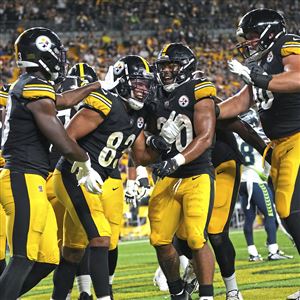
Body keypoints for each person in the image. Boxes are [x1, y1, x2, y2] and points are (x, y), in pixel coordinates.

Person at [51, 55, 177, 300]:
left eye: (146, 84)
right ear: (121, 81)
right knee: (100, 237)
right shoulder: (106, 102)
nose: (143, 89)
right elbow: (67, 136)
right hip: (73, 175)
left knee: (73, 252)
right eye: (138, 83)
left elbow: (141, 156)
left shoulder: (138, 115)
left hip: (95, 180)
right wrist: (84, 164)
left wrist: (162, 143)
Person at [0, 27, 103, 300]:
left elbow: (62, 101)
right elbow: (60, 137)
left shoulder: (33, 85)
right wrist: (84, 161)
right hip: (22, 175)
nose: (60, 58)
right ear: (44, 54)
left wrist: (95, 85)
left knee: (47, 258)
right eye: (56, 53)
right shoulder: (33, 84)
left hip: (32, 178)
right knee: (23, 257)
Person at [217, 8, 300, 300]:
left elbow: (298, 77)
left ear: (267, 32)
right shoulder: (262, 61)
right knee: (288, 214)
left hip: (297, 138)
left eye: (252, 36)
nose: (248, 42)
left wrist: (259, 78)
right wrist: (207, 112)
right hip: (279, 145)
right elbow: (242, 102)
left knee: (288, 209)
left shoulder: (287, 43)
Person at [147, 43, 216, 300]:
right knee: (160, 240)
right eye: (163, 66)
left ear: (185, 66)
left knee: (197, 238)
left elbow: (206, 136)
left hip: (196, 173)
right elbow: (146, 137)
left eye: (171, 65)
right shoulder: (153, 95)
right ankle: (177, 292)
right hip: (168, 176)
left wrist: (176, 159)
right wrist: (155, 142)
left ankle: (207, 295)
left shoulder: (199, 89)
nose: (165, 71)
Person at [236, 109, 293, 261]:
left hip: (242, 181)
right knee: (270, 215)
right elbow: (270, 156)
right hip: (256, 180)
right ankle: (273, 250)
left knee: (249, 218)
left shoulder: (237, 137)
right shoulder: (261, 135)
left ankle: (253, 253)